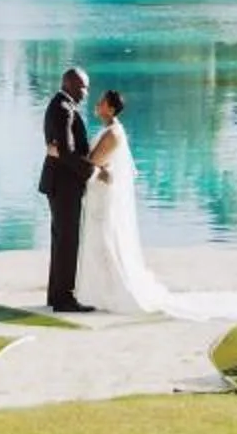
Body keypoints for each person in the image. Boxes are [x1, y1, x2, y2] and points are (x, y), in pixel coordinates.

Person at [72, 88, 172, 315]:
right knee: (99, 241)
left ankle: (112, 291)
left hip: (103, 197)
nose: (97, 105)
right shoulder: (109, 130)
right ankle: (99, 290)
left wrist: (65, 156)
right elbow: (97, 164)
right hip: (99, 190)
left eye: (101, 102)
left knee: (105, 241)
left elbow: (92, 161)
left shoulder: (113, 134)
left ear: (111, 108)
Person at [38, 65, 95, 313]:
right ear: (69, 83)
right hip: (64, 185)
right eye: (83, 86)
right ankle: (64, 298)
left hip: (60, 183)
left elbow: (60, 149)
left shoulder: (62, 106)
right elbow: (66, 151)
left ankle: (55, 295)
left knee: (61, 239)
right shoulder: (63, 108)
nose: (86, 92)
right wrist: (91, 171)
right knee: (67, 240)